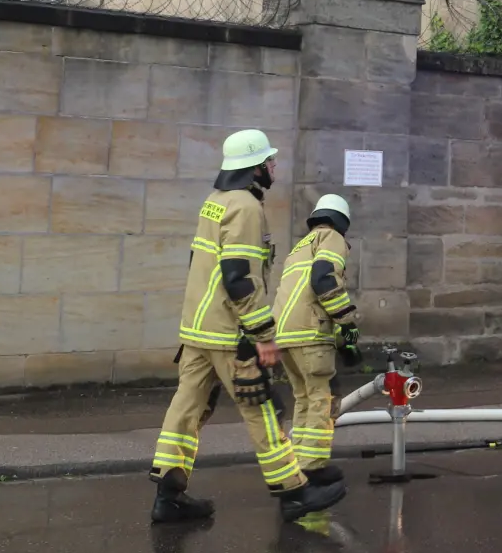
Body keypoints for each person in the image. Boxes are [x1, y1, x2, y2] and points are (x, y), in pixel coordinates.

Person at [148, 129, 346, 523]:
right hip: (228, 331)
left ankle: (168, 495)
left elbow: (199, 265)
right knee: (261, 407)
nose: (274, 167)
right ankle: (293, 493)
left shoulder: (214, 202)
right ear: (255, 168)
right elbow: (238, 276)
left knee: (186, 408)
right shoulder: (246, 208)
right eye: (269, 162)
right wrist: (262, 335)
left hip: (197, 329)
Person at [272, 194, 362, 488]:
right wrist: (348, 327)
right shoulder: (332, 238)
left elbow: (303, 298)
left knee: (304, 398)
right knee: (324, 397)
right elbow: (324, 281)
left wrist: (340, 341)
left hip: (284, 335)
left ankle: (299, 462)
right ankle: (313, 467)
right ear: (342, 222)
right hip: (310, 335)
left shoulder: (298, 247)